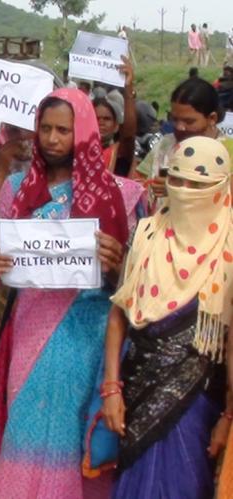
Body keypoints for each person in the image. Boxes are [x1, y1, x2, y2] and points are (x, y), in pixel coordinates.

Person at [0, 88, 142, 499]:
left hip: (86, 333)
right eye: (45, 129)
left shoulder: (120, 194)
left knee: (71, 432)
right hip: (30, 324)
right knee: (24, 421)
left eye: (63, 130)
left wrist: (119, 262)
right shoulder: (18, 189)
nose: (51, 139)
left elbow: (138, 278)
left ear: (83, 132)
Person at [103, 136, 232, 497]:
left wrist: (228, 418)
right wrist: (111, 388)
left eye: (198, 185)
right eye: (177, 180)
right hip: (136, 389)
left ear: (221, 187)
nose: (185, 192)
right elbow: (119, 315)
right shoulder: (147, 234)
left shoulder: (230, 244)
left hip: (198, 399)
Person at [131, 78, 231, 209]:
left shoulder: (227, 152)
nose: (180, 127)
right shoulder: (165, 144)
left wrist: (177, 191)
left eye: (189, 121)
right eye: (174, 119)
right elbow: (138, 183)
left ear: (212, 118)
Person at [93, 57, 136, 176]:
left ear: (116, 126)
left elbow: (128, 135)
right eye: (96, 118)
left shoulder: (119, 153)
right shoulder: (78, 153)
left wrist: (128, 88)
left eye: (107, 119)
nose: (101, 122)